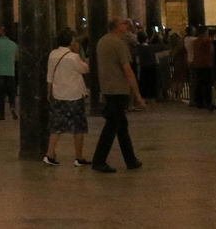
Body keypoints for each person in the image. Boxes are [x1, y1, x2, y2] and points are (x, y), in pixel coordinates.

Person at [91, 17, 145, 173]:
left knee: (121, 127)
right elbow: (127, 70)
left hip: (108, 88)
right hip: (118, 89)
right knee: (111, 127)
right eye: (123, 23)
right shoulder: (118, 44)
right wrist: (137, 94)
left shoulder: (102, 41)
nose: (127, 25)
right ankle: (99, 160)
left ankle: (131, 160)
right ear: (116, 27)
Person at [43, 27, 91, 167]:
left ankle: (50, 154)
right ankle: (79, 157)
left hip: (58, 94)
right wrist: (78, 54)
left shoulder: (52, 54)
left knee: (56, 126)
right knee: (78, 127)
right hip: (74, 95)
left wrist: (49, 93)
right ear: (71, 41)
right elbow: (85, 69)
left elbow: (49, 77)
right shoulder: (73, 57)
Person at [191, 27, 214, 110]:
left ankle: (199, 102)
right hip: (206, 64)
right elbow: (211, 51)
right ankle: (208, 102)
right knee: (207, 85)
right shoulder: (207, 41)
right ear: (205, 32)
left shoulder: (195, 42)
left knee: (199, 84)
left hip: (197, 64)